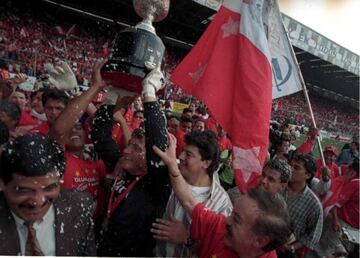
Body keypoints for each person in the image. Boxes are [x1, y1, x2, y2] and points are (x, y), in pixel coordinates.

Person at [153, 133, 292, 258]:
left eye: (236, 218)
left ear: (260, 241)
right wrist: (172, 166)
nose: (226, 220)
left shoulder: (221, 202)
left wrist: (187, 240)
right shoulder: (220, 226)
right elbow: (189, 202)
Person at [93, 66, 171, 257]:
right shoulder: (122, 165)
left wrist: (149, 95)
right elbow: (99, 134)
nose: (126, 150)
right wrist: (112, 96)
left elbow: (158, 145)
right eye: (129, 145)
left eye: (136, 148)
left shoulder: (157, 184)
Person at [0, 134, 96, 256]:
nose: (38, 201)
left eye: (49, 188)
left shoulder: (79, 207)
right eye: (24, 190)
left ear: (60, 179)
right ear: (2, 183)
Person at [152, 130, 233, 257]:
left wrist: (187, 239)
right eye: (183, 151)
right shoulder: (169, 179)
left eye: (188, 154)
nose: (181, 156)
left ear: (206, 163)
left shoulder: (221, 203)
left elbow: (219, 248)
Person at [279, 154, 323, 256]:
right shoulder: (278, 187)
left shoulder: (314, 204)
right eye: (290, 165)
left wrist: (292, 247)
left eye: (296, 168)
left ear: (307, 175)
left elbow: (312, 236)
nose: (291, 169)